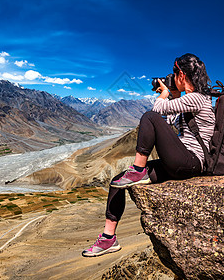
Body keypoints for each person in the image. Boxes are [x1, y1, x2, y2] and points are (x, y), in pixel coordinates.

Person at [82, 53, 215, 257]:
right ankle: (108, 238)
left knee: (149, 116)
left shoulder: (198, 98)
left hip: (192, 162)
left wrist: (163, 94)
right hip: (181, 160)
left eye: (174, 73)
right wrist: (174, 95)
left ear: (181, 73)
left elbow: (156, 111)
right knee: (118, 181)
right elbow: (167, 122)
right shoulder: (189, 100)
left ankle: (138, 169)